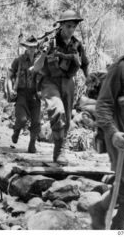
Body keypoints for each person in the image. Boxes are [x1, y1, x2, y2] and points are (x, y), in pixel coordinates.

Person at [89, 16, 124, 230]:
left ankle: (117, 220)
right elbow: (103, 105)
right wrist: (113, 133)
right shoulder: (122, 68)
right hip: (123, 136)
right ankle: (101, 210)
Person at [34, 10, 89, 164]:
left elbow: (84, 64)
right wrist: (45, 53)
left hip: (68, 82)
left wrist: (88, 78)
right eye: (69, 26)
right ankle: (59, 150)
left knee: (67, 118)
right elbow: (37, 66)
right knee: (57, 110)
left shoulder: (76, 44)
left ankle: (60, 149)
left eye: (74, 26)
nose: (71, 29)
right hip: (50, 81)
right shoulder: (50, 42)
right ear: (62, 25)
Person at [7, 35, 41, 152]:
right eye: (30, 47)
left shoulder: (40, 60)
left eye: (34, 47)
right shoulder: (19, 60)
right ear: (26, 47)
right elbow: (9, 76)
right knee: (21, 119)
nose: (32, 49)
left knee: (36, 121)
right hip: (22, 94)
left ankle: (32, 144)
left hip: (36, 95)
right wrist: (11, 89)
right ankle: (16, 131)